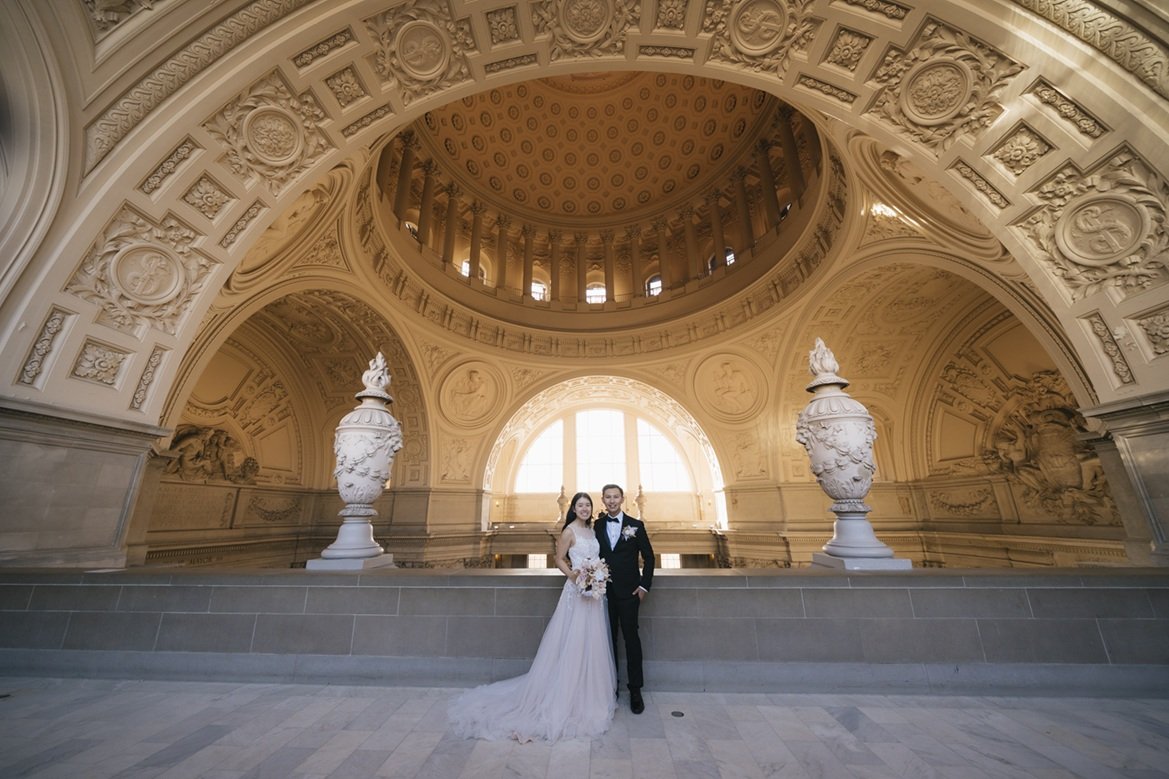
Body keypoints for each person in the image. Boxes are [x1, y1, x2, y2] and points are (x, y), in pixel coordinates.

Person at [449, 492, 616, 742]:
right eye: (580, 505)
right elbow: (559, 558)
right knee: (571, 640)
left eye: (588, 505)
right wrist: (575, 577)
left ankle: (588, 692)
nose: (584, 508)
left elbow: (596, 559)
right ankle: (564, 695)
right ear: (573, 508)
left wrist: (597, 576)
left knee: (591, 642)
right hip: (576, 592)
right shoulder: (569, 531)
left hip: (593, 596)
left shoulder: (592, 531)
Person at [596, 483, 654, 715]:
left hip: (630, 594)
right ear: (602, 499)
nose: (611, 501)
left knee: (631, 640)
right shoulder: (597, 525)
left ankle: (635, 689)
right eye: (607, 497)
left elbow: (649, 558)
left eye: (615, 497)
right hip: (603, 594)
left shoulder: (636, 525)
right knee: (608, 641)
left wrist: (643, 586)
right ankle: (611, 687)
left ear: (622, 499)